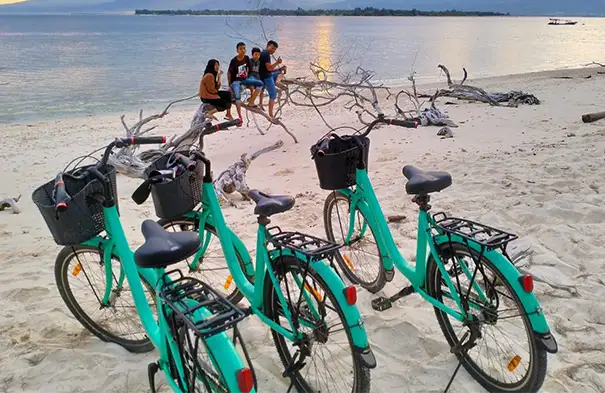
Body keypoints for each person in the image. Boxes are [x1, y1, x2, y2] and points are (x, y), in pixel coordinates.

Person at [228, 42, 264, 120]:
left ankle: (251, 102)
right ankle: (240, 116)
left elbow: (248, 69)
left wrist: (247, 78)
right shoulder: (233, 60)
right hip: (236, 81)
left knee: (260, 83)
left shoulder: (246, 58)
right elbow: (229, 73)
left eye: (244, 48)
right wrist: (229, 84)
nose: (243, 50)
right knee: (237, 96)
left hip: (244, 79)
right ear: (237, 50)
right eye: (240, 49)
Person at [258, 40, 286, 120]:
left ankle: (260, 104)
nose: (273, 50)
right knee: (273, 94)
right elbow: (269, 68)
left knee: (279, 71)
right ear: (268, 46)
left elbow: (266, 68)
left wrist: (278, 68)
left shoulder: (263, 52)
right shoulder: (266, 54)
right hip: (266, 77)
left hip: (262, 76)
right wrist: (277, 63)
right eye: (272, 48)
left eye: (274, 49)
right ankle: (271, 115)